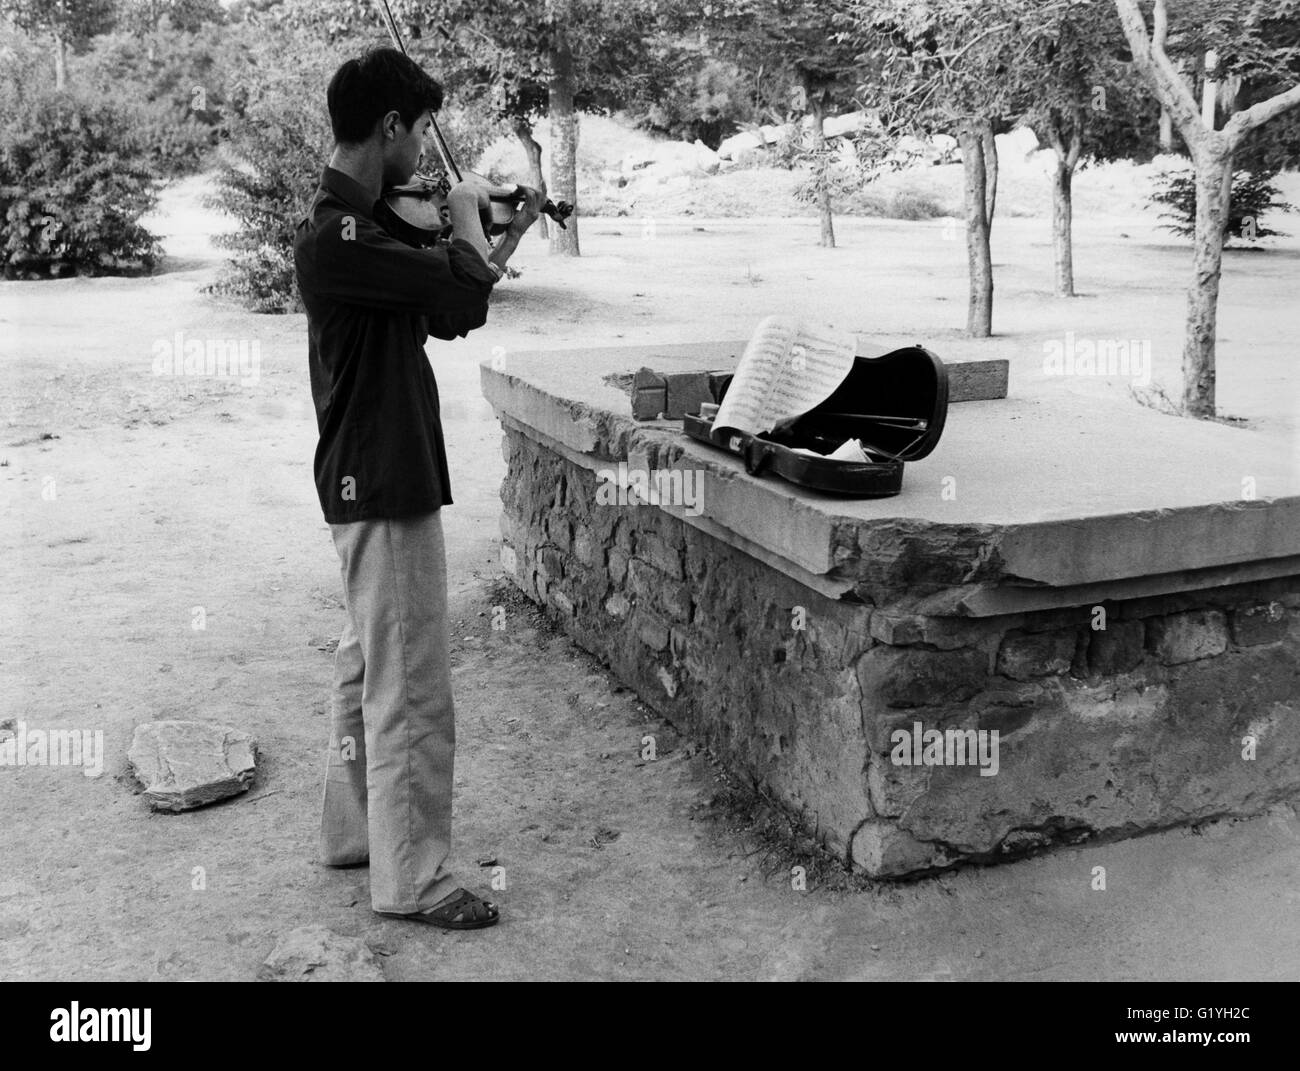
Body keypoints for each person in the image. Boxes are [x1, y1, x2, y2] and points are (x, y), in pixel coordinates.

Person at [293, 47, 542, 930]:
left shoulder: (360, 228)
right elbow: (458, 286)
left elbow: (453, 309)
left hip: (375, 474)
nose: (423, 155)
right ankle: (413, 878)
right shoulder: (342, 235)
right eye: (419, 130)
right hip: (383, 474)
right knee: (412, 680)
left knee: (368, 662)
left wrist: (502, 228)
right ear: (391, 128)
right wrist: (471, 218)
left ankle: (355, 832)